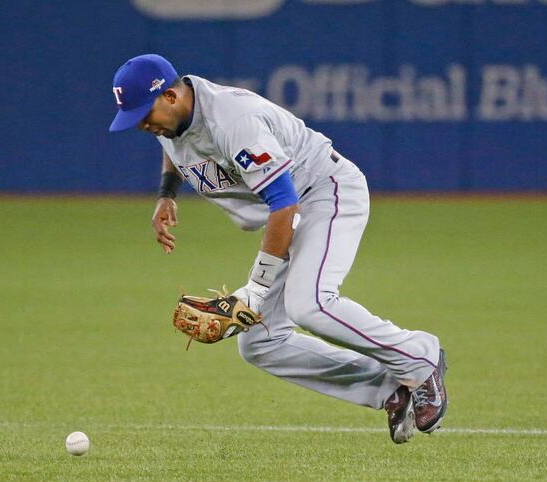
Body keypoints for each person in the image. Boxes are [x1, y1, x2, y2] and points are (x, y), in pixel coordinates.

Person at [109, 54, 448, 444]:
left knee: (311, 304)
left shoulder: (234, 121)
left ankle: (420, 357)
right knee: (260, 343)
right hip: (289, 212)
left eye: (143, 114)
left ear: (169, 95)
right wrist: (167, 194)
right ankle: (390, 388)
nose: (142, 125)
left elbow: (283, 203)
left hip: (323, 192)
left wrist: (256, 288)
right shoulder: (173, 115)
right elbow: (173, 142)